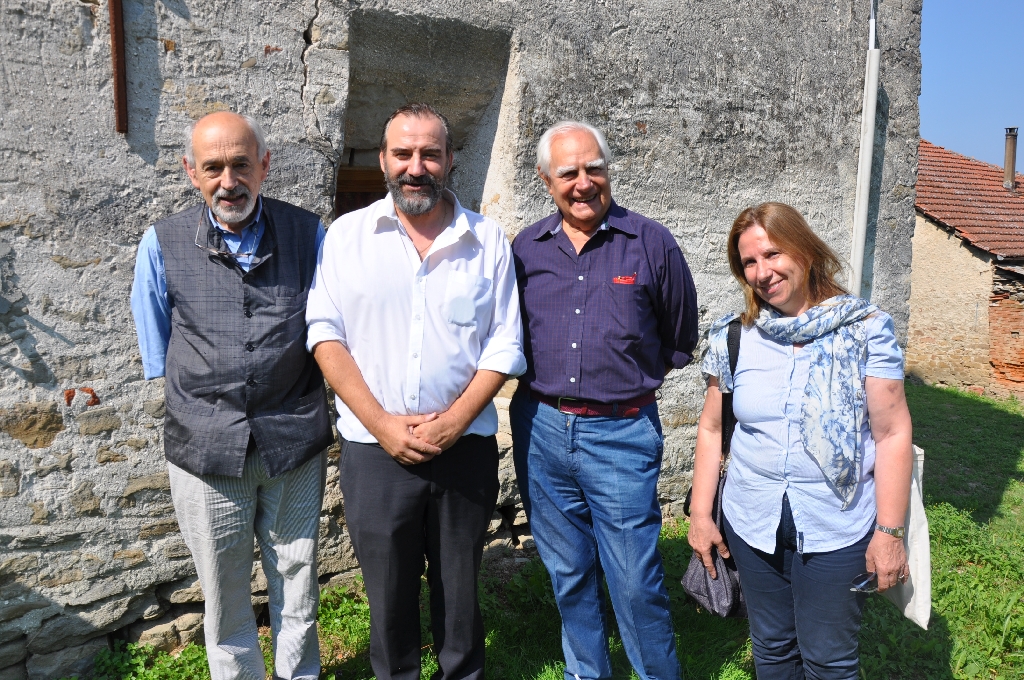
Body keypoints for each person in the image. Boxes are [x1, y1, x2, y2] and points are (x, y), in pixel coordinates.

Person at [305, 102, 526, 680]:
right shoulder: (347, 237)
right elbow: (325, 336)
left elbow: (504, 345)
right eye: (402, 153)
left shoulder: (487, 240)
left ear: (451, 160)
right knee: (387, 601)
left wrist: (454, 422)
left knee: (460, 600)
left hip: (464, 453)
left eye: (430, 153)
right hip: (374, 455)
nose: (416, 166)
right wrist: (381, 423)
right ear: (382, 160)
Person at [130, 111, 332, 680]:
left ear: (264, 166)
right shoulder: (161, 243)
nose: (228, 180)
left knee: (299, 579)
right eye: (213, 167)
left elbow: (330, 325)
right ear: (191, 172)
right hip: (207, 452)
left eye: (241, 164)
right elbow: (159, 343)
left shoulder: (309, 233)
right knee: (223, 596)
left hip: (292, 444)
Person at [687, 202, 913, 679]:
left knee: (830, 660)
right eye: (749, 262)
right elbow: (711, 429)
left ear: (805, 251)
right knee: (771, 650)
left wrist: (889, 534)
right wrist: (701, 515)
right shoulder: (734, 336)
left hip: (837, 525)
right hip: (752, 520)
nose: (762, 272)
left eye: (773, 254)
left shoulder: (866, 330)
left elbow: (892, 434)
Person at [510, 120, 698, 680]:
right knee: (568, 574)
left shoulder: (649, 242)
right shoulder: (525, 247)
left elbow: (680, 334)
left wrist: (626, 383)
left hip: (620, 432)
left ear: (608, 171)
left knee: (635, 581)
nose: (584, 182)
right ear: (546, 180)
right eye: (568, 172)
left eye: (594, 168)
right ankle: (585, 672)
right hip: (541, 428)